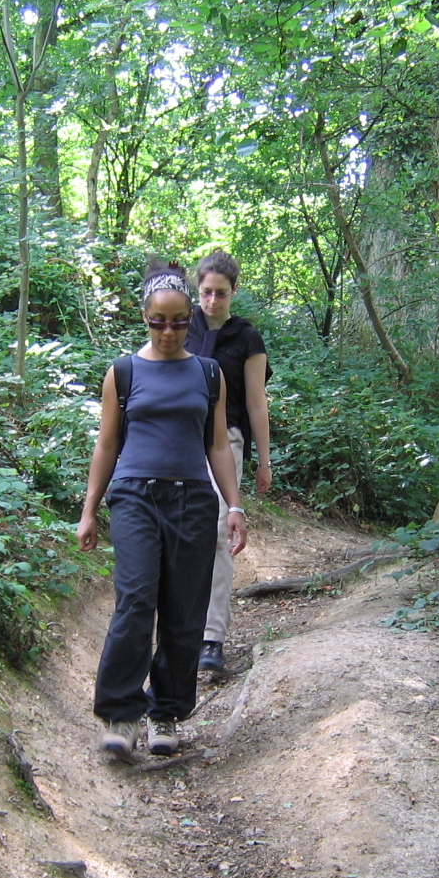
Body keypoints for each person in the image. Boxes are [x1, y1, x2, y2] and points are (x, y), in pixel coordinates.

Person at [77, 260, 248, 760]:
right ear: (145, 318)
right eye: (159, 322)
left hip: (193, 500)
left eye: (177, 322)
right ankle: (121, 714)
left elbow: (217, 444)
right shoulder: (123, 372)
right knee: (135, 601)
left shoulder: (209, 373)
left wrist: (234, 505)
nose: (169, 332)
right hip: (134, 497)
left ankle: (166, 712)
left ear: (189, 318)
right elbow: (107, 445)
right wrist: (89, 510)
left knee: (183, 611)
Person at [185, 250, 271, 674]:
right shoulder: (181, 325)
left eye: (220, 293)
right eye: (206, 292)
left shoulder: (247, 338)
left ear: (234, 291)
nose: (212, 300)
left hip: (227, 440)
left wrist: (264, 461)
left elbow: (256, 403)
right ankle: (179, 630)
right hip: (180, 440)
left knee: (219, 531)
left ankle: (211, 637)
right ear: (196, 289)